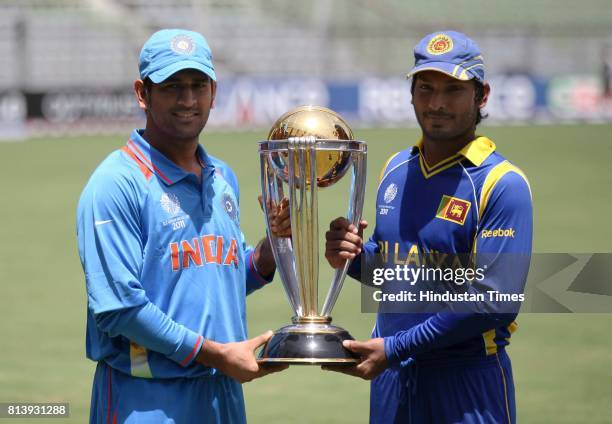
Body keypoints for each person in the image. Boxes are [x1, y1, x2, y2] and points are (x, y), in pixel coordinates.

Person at [76, 29, 288, 424]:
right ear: (143, 93)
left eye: (197, 85)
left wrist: (271, 249)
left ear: (214, 91)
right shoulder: (117, 183)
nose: (188, 100)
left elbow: (218, 276)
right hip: (145, 398)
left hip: (220, 393)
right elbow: (119, 308)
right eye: (173, 86)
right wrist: (215, 354)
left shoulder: (221, 175)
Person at [324, 31, 533, 423]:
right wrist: (352, 257)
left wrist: (396, 348)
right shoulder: (395, 169)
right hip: (392, 382)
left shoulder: (502, 184)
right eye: (425, 88)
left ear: (482, 95)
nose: (436, 103)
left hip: (466, 385)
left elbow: (492, 301)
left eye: (453, 89)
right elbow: (397, 272)